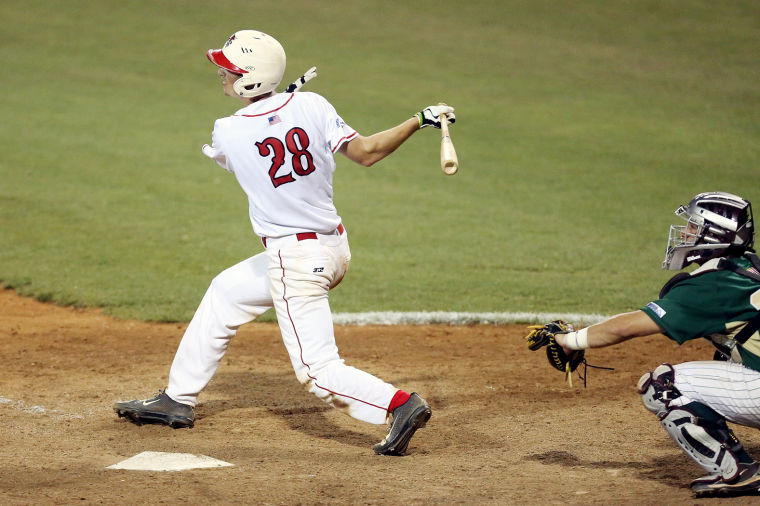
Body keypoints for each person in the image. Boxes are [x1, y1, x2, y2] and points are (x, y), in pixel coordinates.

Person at [113, 29, 455, 456]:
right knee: (226, 291)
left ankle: (400, 405)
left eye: (232, 69)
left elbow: (236, 151)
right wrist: (418, 119)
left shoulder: (228, 130)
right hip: (332, 247)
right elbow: (366, 152)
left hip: (296, 260)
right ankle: (177, 399)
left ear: (252, 78)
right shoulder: (313, 104)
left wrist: (272, 114)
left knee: (316, 371)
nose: (223, 73)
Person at [531, 191, 760, 497]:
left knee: (662, 385)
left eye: (694, 226)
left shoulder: (714, 285)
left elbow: (629, 326)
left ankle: (739, 472)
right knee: (726, 355)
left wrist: (569, 339)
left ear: (714, 234)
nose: (686, 234)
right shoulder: (749, 267)